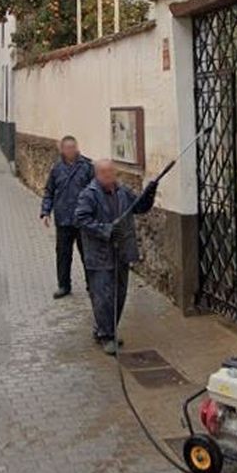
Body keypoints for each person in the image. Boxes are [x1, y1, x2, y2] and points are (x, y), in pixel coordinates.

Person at [73, 159, 157, 355]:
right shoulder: (88, 195)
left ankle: (105, 329)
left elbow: (139, 207)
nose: (110, 176)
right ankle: (106, 335)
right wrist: (106, 230)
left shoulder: (123, 191)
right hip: (100, 255)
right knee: (104, 297)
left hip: (121, 252)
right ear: (97, 174)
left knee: (119, 295)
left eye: (112, 172)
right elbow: (81, 219)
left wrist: (150, 192)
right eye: (106, 173)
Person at [39, 136, 94, 299]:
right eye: (68, 148)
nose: (71, 150)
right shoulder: (56, 168)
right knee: (63, 254)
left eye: (73, 147)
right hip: (63, 219)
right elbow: (49, 191)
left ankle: (92, 284)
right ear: (62, 150)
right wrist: (46, 212)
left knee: (88, 254)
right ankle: (64, 285)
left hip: (83, 219)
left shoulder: (87, 166)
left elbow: (95, 191)